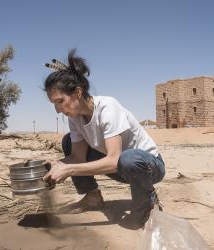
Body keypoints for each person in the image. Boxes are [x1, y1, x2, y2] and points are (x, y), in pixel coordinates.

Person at [43, 49, 165, 229]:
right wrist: (56, 165)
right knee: (68, 141)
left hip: (148, 166)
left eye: (60, 101)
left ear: (77, 93)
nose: (58, 110)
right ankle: (92, 198)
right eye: (54, 104)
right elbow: (77, 158)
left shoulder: (108, 107)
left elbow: (115, 160)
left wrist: (68, 169)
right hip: (119, 166)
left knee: (128, 158)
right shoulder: (74, 118)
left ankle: (147, 204)